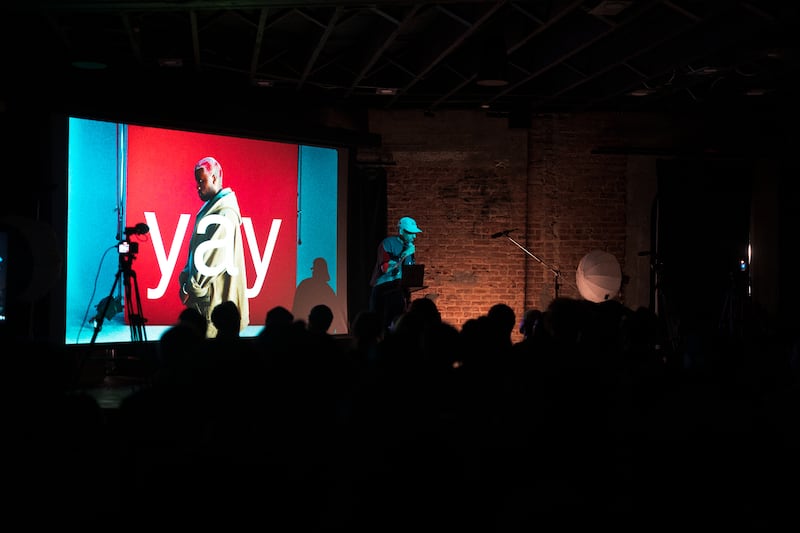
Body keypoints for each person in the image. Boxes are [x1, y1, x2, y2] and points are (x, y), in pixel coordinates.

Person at [178, 156, 249, 338]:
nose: (198, 186)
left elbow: (210, 261)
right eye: (197, 181)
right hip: (210, 301)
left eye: (202, 181)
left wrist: (189, 288)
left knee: (210, 359)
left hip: (213, 304)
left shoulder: (224, 214)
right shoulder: (216, 209)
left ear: (215, 178)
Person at [369, 216, 422, 332]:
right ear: (401, 231)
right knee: (383, 324)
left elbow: (408, 269)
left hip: (401, 290)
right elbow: (385, 268)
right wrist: (404, 254)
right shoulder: (388, 243)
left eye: (415, 233)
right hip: (384, 291)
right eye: (411, 233)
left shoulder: (409, 247)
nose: (414, 236)